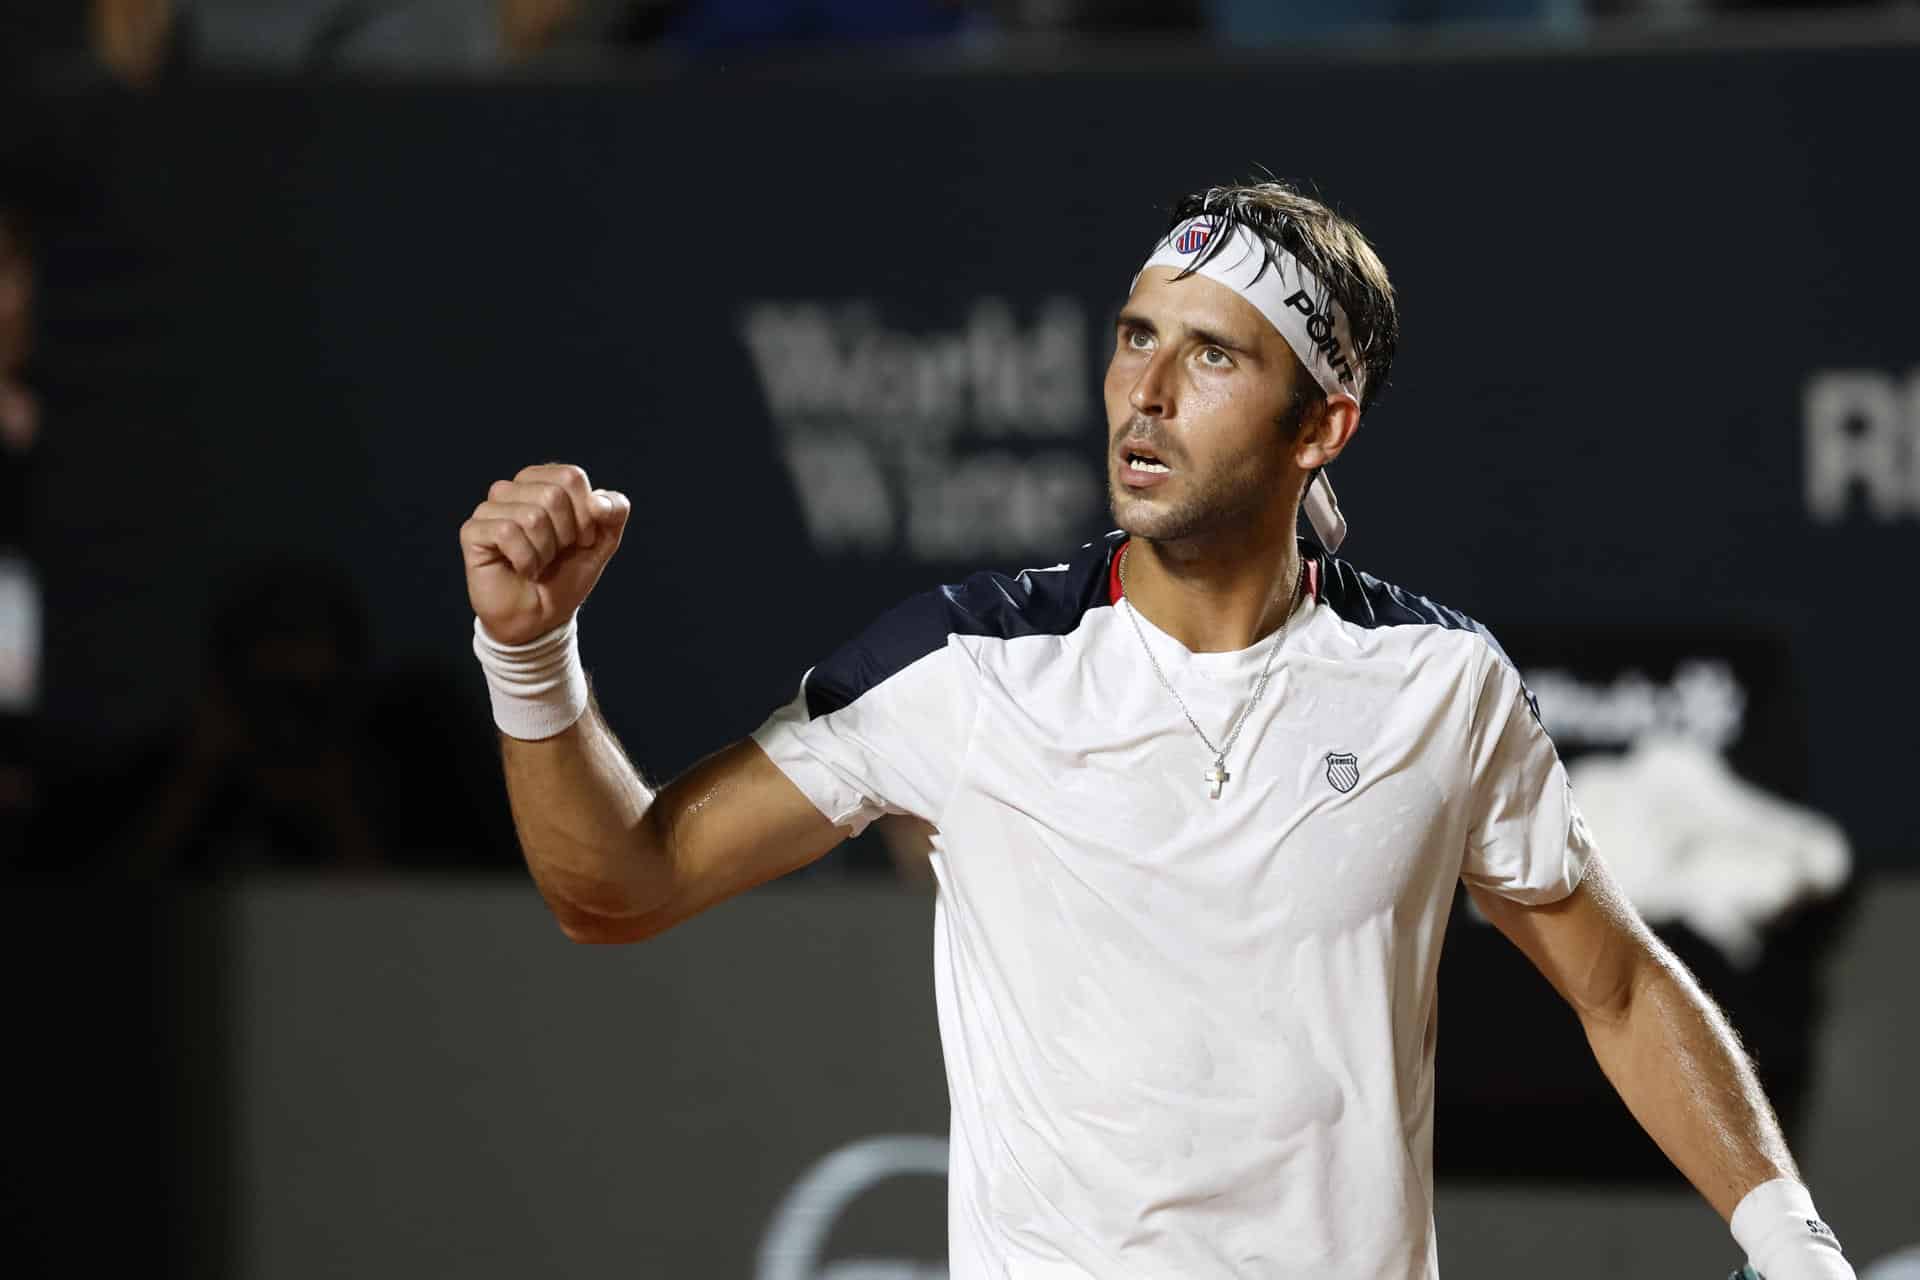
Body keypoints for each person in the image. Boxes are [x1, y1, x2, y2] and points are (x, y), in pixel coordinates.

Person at [458, 180, 1853, 1279]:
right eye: (1135, 335)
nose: (1146, 388)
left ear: (1324, 426)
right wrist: (531, 653)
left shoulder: (1442, 684)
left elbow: (1615, 984)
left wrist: (1788, 1237)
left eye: (1212, 355)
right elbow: (616, 888)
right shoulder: (965, 664)